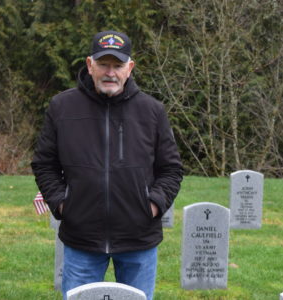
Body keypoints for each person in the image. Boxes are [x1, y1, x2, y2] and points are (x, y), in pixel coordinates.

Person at [31, 30, 183, 300]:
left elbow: (171, 169)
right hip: (82, 239)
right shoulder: (62, 107)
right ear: (90, 65)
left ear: (130, 68)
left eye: (118, 65)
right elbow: (45, 164)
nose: (110, 72)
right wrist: (63, 203)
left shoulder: (152, 111)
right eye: (103, 64)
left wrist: (153, 204)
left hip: (139, 239)